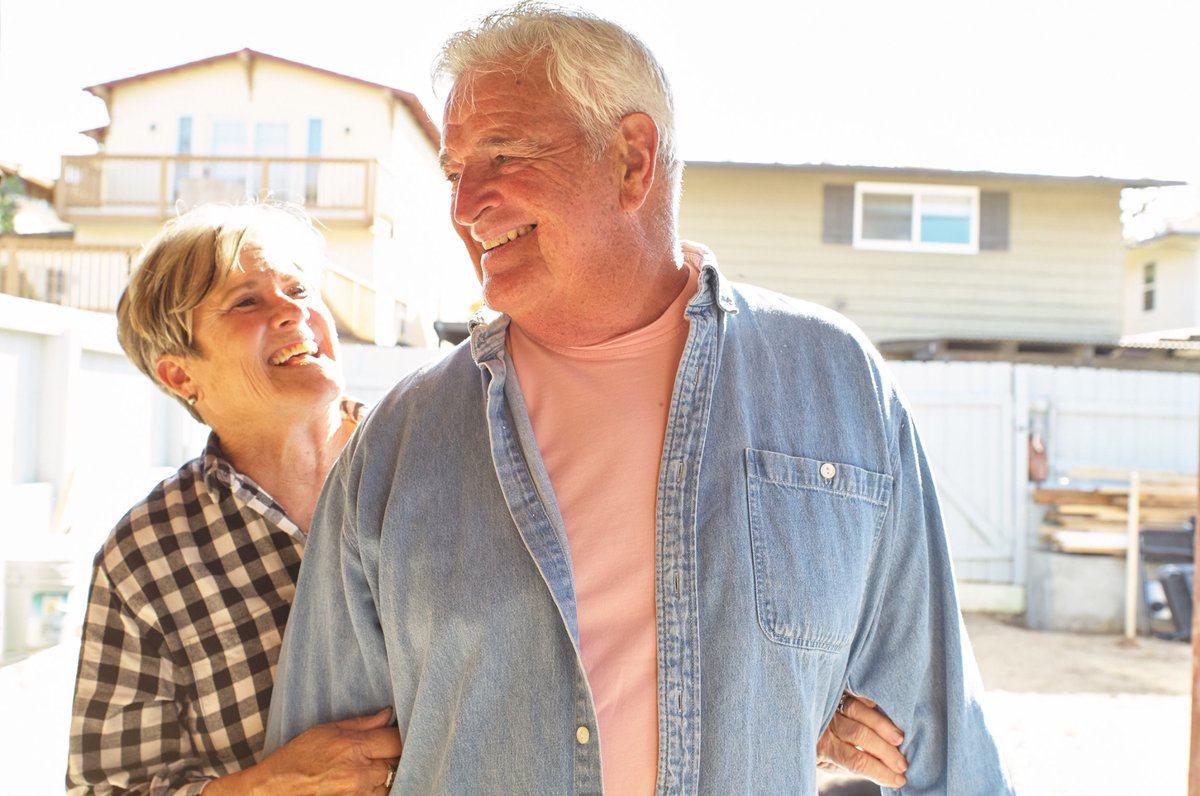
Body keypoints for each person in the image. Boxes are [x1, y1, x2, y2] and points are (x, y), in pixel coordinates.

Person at [265, 2, 1014, 794]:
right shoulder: (399, 442)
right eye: (455, 172)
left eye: (505, 154)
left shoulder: (834, 384)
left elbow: (939, 744)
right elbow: (319, 771)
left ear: (631, 160)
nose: (464, 205)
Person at [66, 202, 403, 794]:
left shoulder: (432, 461)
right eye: (247, 301)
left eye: (299, 287)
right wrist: (267, 786)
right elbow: (107, 787)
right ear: (180, 375)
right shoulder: (143, 559)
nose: (294, 309)